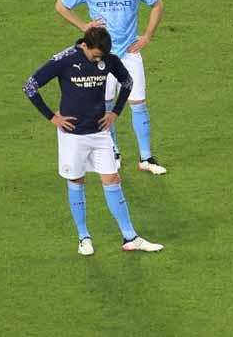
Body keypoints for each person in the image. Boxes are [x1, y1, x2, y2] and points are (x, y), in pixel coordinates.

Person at [22, 27, 163, 255]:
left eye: (102, 56)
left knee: (112, 179)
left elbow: (127, 83)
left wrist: (115, 112)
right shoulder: (64, 59)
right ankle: (83, 237)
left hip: (99, 134)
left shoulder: (108, 58)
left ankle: (130, 237)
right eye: (95, 55)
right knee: (77, 181)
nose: (99, 59)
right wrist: (52, 117)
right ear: (84, 45)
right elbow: (30, 87)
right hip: (73, 136)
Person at [56, 0, 167, 174]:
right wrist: (84, 26)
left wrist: (147, 36)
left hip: (129, 53)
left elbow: (157, 4)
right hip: (101, 57)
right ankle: (113, 152)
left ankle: (146, 158)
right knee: (105, 106)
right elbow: (61, 5)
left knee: (138, 103)